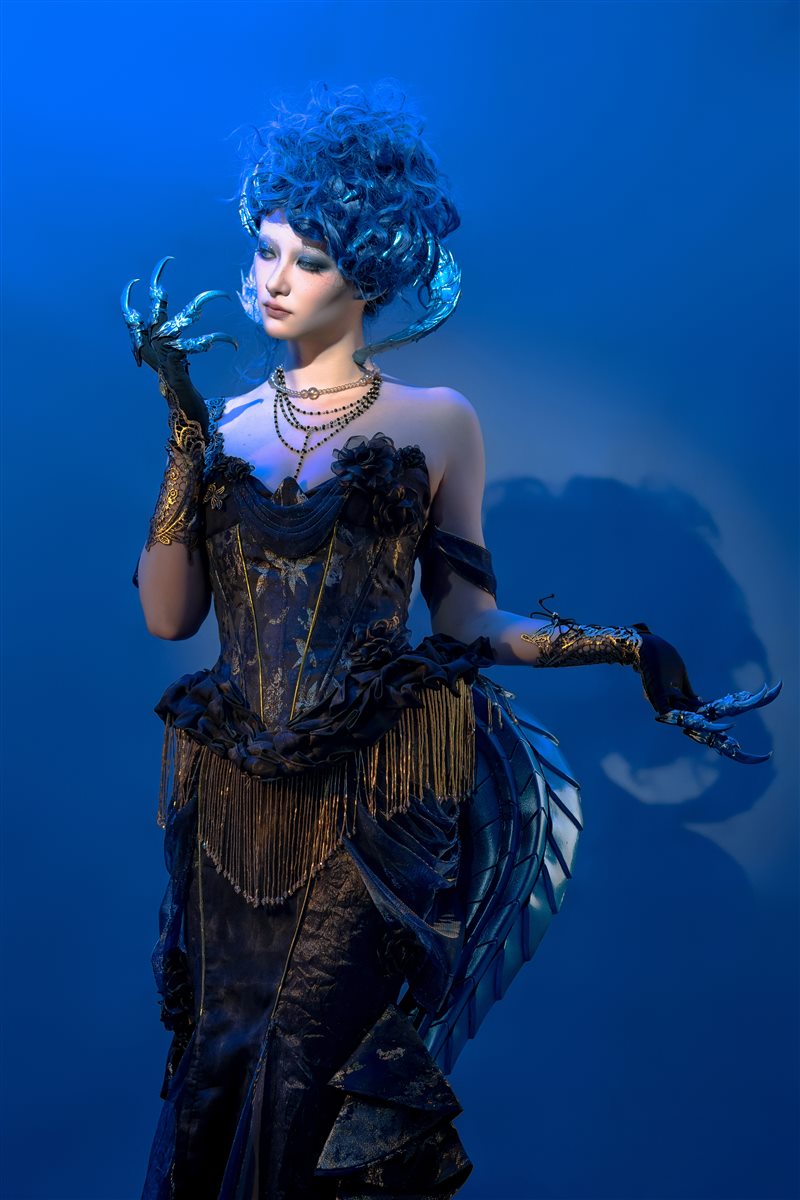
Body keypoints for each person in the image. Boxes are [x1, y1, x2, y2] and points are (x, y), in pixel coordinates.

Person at [122, 81, 781, 1200]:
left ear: (370, 274)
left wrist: (630, 648)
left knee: (312, 1076)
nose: (273, 280)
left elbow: (467, 621)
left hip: (376, 803)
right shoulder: (220, 426)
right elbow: (168, 616)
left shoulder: (434, 421)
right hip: (230, 809)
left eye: (307, 260)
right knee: (217, 1067)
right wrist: (183, 437)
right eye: (265, 251)